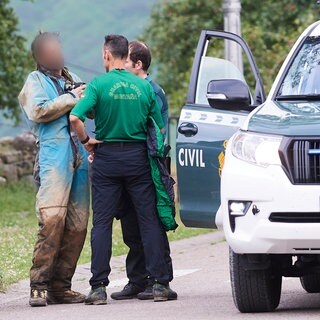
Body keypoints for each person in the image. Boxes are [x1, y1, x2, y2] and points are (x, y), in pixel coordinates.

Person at [70, 34, 177, 305]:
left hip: (106, 159)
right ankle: (160, 284)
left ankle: (98, 288)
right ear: (123, 55)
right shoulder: (143, 88)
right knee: (148, 219)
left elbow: (75, 118)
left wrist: (87, 142)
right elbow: (159, 128)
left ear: (107, 55)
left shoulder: (98, 85)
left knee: (102, 223)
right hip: (138, 159)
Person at [18, 32, 90, 307]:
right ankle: (39, 285)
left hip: (79, 157)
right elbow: (38, 111)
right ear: (39, 56)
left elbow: (89, 109)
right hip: (53, 157)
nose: (57, 52)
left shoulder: (72, 79)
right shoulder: (34, 81)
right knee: (51, 221)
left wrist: (87, 97)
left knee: (77, 224)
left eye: (58, 47)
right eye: (50, 49)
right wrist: (73, 98)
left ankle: (61, 286)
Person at [110, 41, 174, 301]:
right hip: (128, 163)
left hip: (148, 163)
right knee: (131, 225)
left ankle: (160, 280)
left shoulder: (152, 90)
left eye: (124, 60)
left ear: (138, 64)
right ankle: (137, 279)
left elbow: (156, 132)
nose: (120, 65)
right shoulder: (127, 89)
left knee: (152, 224)